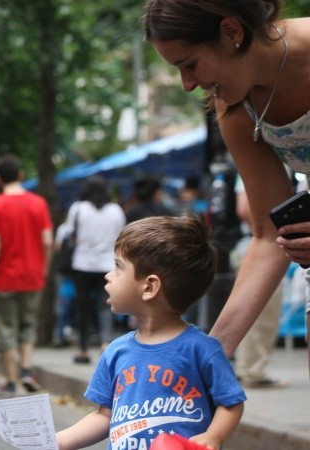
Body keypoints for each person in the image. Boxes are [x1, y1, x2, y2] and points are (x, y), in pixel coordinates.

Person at [143, 0, 308, 373]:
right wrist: (209, 357)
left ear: (232, 33)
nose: (187, 85)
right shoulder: (234, 107)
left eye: (189, 64)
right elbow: (268, 236)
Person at [56, 215, 246, 450]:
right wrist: (58, 441)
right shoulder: (115, 351)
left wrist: (214, 436)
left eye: (118, 266)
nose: (108, 274)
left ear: (149, 287)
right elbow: (105, 416)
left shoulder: (202, 350)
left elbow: (231, 402)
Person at [0, 154, 54, 395]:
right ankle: (26, 369)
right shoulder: (38, 203)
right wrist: (43, 267)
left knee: (5, 329)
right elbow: (47, 240)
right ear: (21, 175)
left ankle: (12, 380)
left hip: (4, 277)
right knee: (27, 325)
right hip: (33, 275)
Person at [58, 175, 126, 365]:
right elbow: (122, 236)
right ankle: (105, 343)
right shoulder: (116, 210)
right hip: (108, 265)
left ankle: (83, 349)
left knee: (83, 307)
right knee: (106, 305)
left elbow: (70, 234)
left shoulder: (78, 209)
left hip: (83, 264)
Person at [231, 176, 286, 388]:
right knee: (261, 312)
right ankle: (252, 370)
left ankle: (250, 368)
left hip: (262, 243)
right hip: (262, 244)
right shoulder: (259, 155)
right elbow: (245, 209)